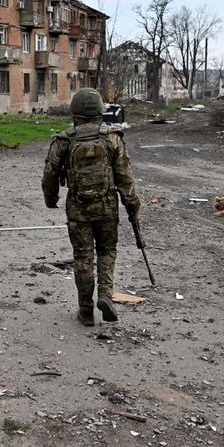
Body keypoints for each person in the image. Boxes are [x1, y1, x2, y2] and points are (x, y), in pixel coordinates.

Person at [42, 88, 141, 326]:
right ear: (100, 111)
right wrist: (132, 206)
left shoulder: (64, 141)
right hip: (107, 208)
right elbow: (125, 177)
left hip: (78, 209)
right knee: (107, 252)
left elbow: (50, 175)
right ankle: (106, 295)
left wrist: (51, 199)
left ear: (74, 112)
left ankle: (85, 310)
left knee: (82, 257)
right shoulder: (112, 138)